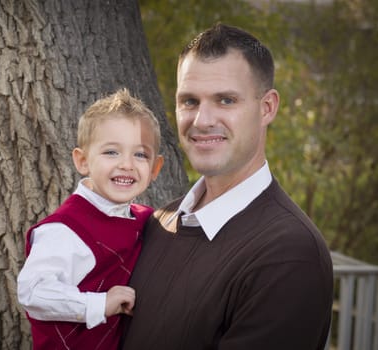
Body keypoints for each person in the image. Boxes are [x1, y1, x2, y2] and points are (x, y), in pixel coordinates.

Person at [121, 23, 333, 350]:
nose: (202, 120)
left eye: (226, 100)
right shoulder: (158, 222)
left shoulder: (290, 256)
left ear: (267, 108)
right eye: (189, 101)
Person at [17, 88, 164, 350]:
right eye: (111, 152)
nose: (127, 164)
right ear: (83, 161)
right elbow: (33, 291)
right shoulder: (65, 230)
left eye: (140, 154)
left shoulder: (146, 220)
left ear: (155, 169)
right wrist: (97, 304)